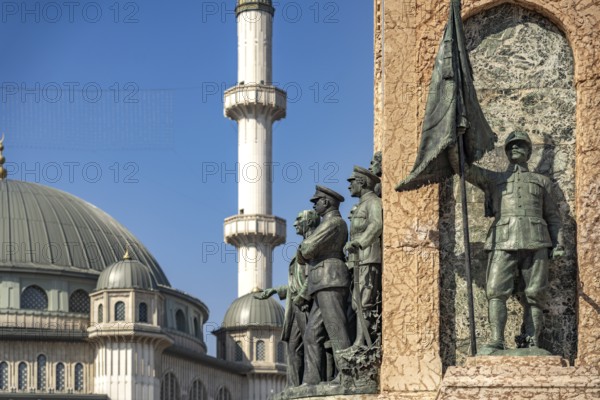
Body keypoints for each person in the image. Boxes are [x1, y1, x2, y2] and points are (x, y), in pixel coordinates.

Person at [449, 131, 564, 352]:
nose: (515, 149)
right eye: (511, 146)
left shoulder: (542, 182)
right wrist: (455, 138)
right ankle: (496, 339)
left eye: (520, 145)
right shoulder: (494, 179)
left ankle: (532, 340)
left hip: (537, 239)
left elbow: (553, 216)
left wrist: (559, 243)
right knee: (495, 290)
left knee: (534, 292)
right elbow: (462, 168)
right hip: (502, 240)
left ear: (529, 151)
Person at [255, 210, 320, 387]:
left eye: (299, 219)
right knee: (293, 347)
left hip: (307, 303)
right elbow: (296, 282)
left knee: (310, 342)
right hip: (296, 305)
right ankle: (293, 386)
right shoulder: (304, 245)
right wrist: (275, 290)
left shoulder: (315, 244)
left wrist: (302, 296)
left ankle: (311, 382)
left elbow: (314, 275)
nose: (295, 223)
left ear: (309, 222)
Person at [298, 185, 351, 385]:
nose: (314, 205)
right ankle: (311, 380)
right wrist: (304, 249)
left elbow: (308, 248)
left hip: (330, 278)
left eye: (316, 201)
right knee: (312, 334)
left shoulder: (334, 223)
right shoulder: (325, 224)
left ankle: (347, 375)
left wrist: (305, 248)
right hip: (321, 281)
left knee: (336, 329)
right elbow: (304, 252)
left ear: (326, 202)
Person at [345, 166, 383, 348]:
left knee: (365, 301)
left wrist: (360, 242)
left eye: (351, 182)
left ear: (362, 182)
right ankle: (359, 340)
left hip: (368, 256)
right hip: (359, 260)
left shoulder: (373, 202)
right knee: (357, 301)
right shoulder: (362, 204)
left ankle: (362, 341)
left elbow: (376, 224)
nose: (349, 186)